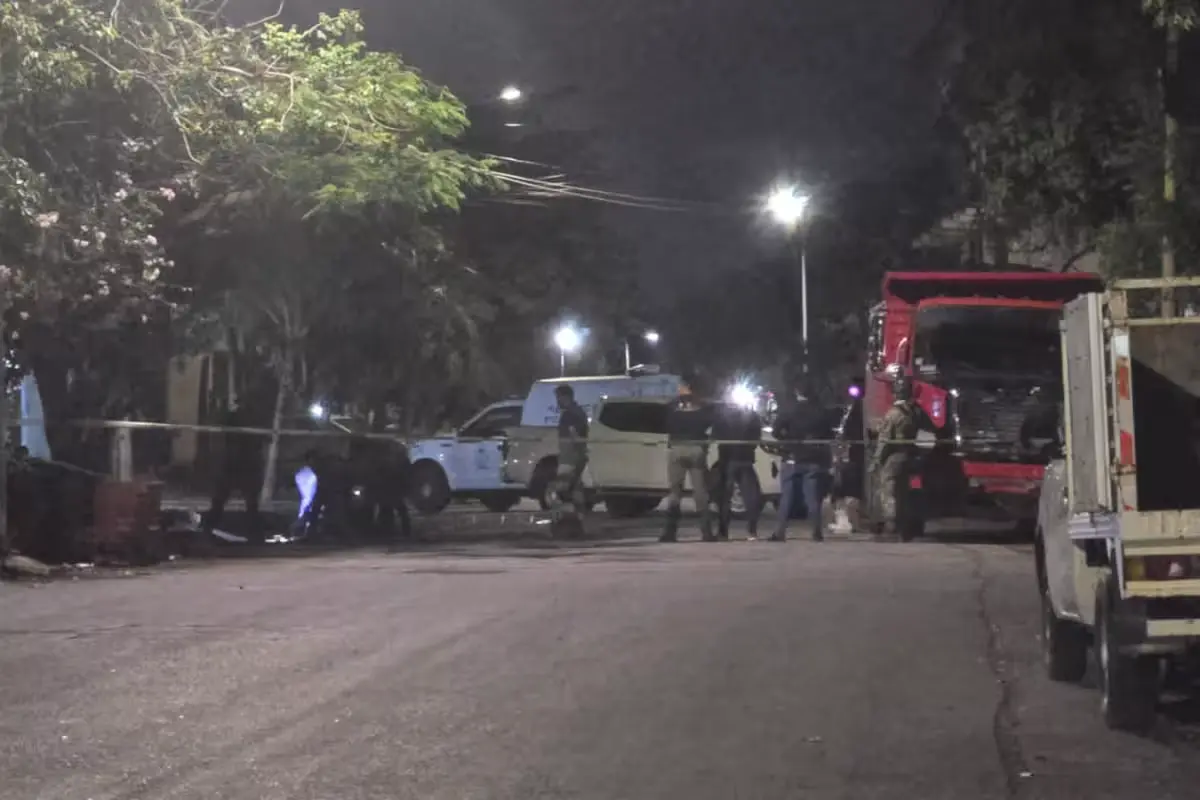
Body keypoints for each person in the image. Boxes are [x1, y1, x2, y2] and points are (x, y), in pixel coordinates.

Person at [769, 382, 829, 542]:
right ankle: (816, 532)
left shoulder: (789, 410)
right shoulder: (820, 411)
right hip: (813, 458)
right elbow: (828, 434)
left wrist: (787, 440)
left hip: (792, 457)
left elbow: (775, 431)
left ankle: (780, 532)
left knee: (786, 497)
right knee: (812, 497)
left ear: (796, 392)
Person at [203, 398, 264, 543]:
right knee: (224, 499)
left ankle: (254, 534)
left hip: (242, 463)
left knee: (246, 502)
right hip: (236, 463)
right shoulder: (243, 418)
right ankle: (208, 528)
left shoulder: (249, 418)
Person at [872, 371, 923, 540]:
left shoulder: (893, 413)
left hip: (893, 457)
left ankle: (891, 527)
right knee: (903, 492)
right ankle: (904, 528)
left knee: (889, 492)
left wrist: (876, 460)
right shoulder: (915, 412)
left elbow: (885, 440)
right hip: (909, 456)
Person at [663, 380, 715, 542]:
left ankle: (670, 533)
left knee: (675, 492)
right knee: (700, 492)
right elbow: (708, 424)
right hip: (696, 448)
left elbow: (666, 423)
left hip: (677, 447)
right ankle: (706, 532)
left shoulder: (672, 407)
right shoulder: (702, 407)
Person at [711, 401, 764, 540]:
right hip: (745, 459)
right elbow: (757, 436)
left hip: (727, 459)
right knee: (751, 496)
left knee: (725, 497)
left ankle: (723, 532)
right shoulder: (752, 416)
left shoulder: (722, 416)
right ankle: (752, 531)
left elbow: (715, 435)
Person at [552, 384, 589, 535]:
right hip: (575, 458)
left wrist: (576, 456)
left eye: (558, 398)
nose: (557, 401)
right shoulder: (579, 412)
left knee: (563, 491)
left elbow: (574, 436)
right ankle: (578, 524)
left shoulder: (570, 415)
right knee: (575, 492)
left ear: (565, 397)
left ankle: (565, 525)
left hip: (569, 459)